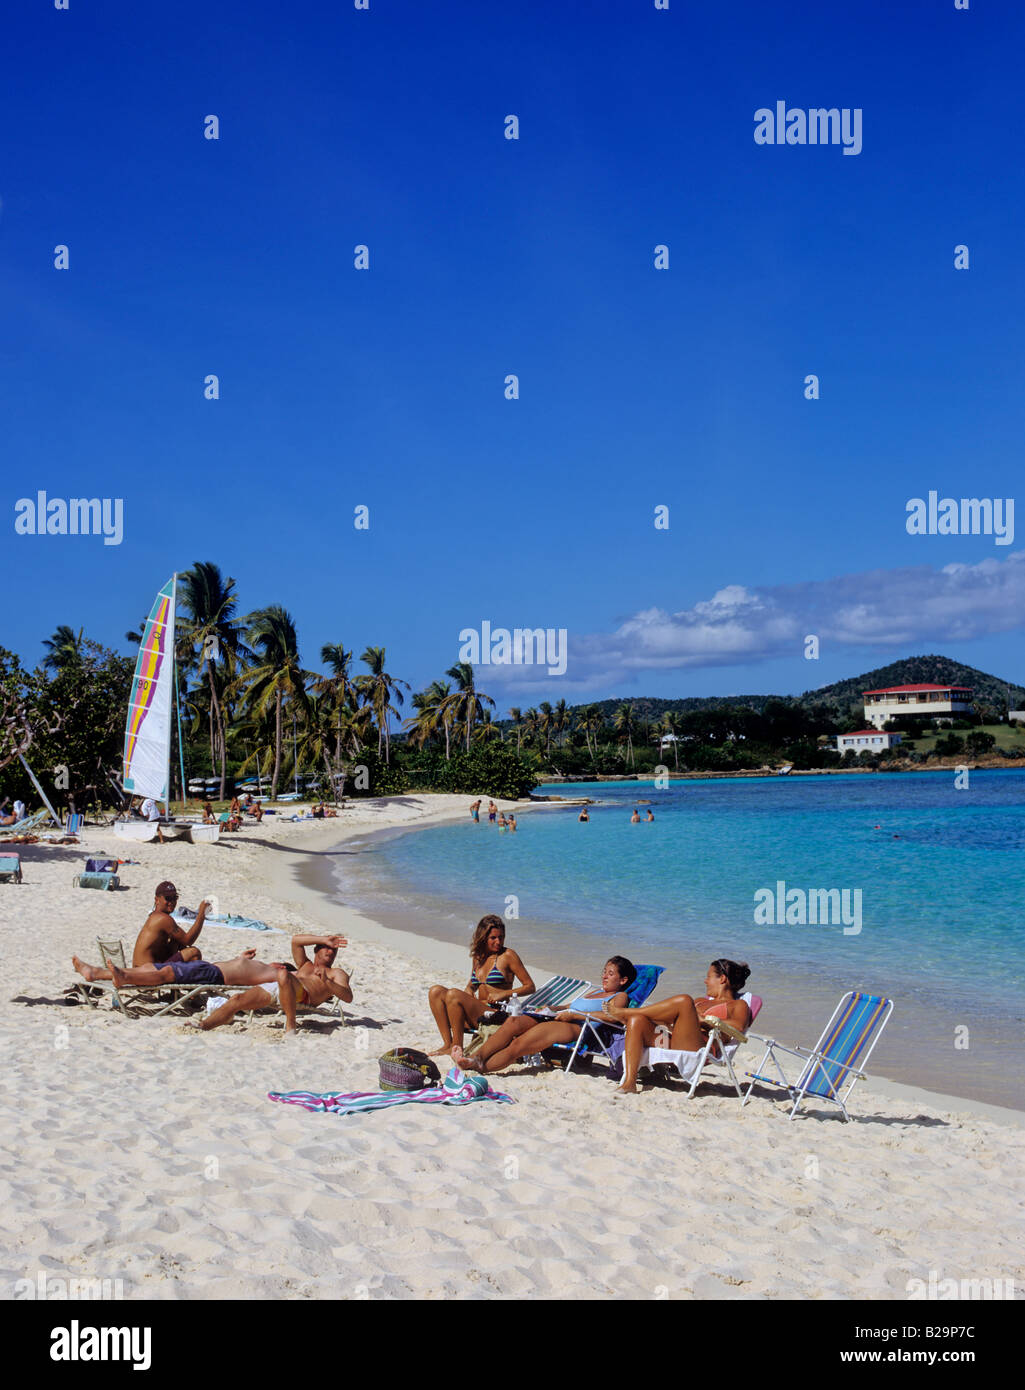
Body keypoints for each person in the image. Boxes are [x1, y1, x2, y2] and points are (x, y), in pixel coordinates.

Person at [453, 957, 636, 1074]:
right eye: (604, 971)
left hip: (577, 1028)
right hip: (561, 1017)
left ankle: (482, 1067)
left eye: (610, 974)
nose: (604, 976)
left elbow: (613, 1017)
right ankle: (476, 1057)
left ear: (623, 980)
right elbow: (568, 1006)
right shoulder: (595, 993)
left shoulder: (620, 996)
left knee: (519, 1043)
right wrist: (551, 1008)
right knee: (514, 1022)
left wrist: (575, 1015)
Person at [603, 959, 752, 1097]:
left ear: (723, 979)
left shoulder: (738, 1005)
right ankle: (630, 1082)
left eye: (709, 977)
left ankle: (625, 1012)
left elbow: (738, 1027)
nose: (705, 981)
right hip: (676, 1038)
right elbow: (675, 1023)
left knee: (684, 1000)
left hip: (701, 1046)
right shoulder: (700, 1001)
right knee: (637, 1020)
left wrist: (703, 1020)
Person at [197, 933, 353, 1035]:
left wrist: (327, 981)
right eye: (326, 948)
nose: (330, 952)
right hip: (280, 988)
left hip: (301, 996)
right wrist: (323, 939)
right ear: (316, 949)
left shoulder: (336, 973)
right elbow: (295, 940)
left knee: (283, 973)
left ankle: (290, 1026)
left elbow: (348, 997)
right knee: (236, 1000)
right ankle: (203, 1025)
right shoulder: (306, 965)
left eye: (334, 950)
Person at [427, 915, 535, 1056]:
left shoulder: (508, 955)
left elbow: (530, 986)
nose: (498, 942)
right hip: (476, 1012)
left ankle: (457, 1047)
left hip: (496, 1014)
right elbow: (473, 984)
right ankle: (448, 1044)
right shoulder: (479, 957)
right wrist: (469, 989)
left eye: (501, 937)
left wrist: (504, 994)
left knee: (453, 994)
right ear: (483, 937)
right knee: (435, 991)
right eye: (493, 938)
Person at [70, 882, 210, 976]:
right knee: (194, 952)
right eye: (168, 898)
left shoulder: (155, 916)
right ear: (157, 899)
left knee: (176, 943)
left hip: (142, 968)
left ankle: (177, 994)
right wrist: (201, 915)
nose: (172, 902)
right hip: (147, 973)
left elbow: (181, 942)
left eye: (175, 898)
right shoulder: (163, 919)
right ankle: (191, 997)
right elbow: (189, 940)